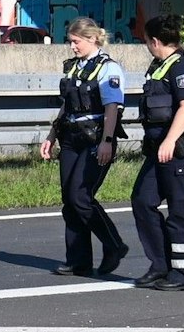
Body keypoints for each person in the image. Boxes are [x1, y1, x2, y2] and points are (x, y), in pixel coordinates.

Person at [39, 17, 130, 276]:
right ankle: (78, 260)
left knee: (81, 197)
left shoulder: (108, 68)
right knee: (69, 199)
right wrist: (51, 136)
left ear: (92, 39)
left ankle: (114, 244)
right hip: (71, 137)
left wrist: (108, 142)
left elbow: (113, 107)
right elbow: (67, 105)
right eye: (70, 42)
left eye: (76, 42)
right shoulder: (74, 68)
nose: (72, 47)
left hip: (96, 137)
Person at [130, 14, 184, 290]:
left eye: (146, 42)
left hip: (183, 149)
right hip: (160, 150)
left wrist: (170, 140)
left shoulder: (182, 68)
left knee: (180, 211)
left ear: (154, 41)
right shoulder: (159, 67)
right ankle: (160, 264)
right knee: (142, 201)